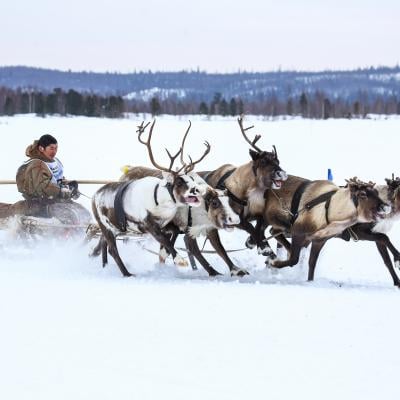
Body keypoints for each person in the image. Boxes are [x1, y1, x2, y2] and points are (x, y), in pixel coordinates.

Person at [12, 134, 79, 217]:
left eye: (56, 148)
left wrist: (69, 187)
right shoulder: (36, 165)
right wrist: (61, 191)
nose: (54, 151)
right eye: (51, 148)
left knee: (82, 212)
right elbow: (42, 188)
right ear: (41, 148)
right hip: (39, 204)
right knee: (70, 216)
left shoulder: (54, 162)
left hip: (55, 201)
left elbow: (56, 179)